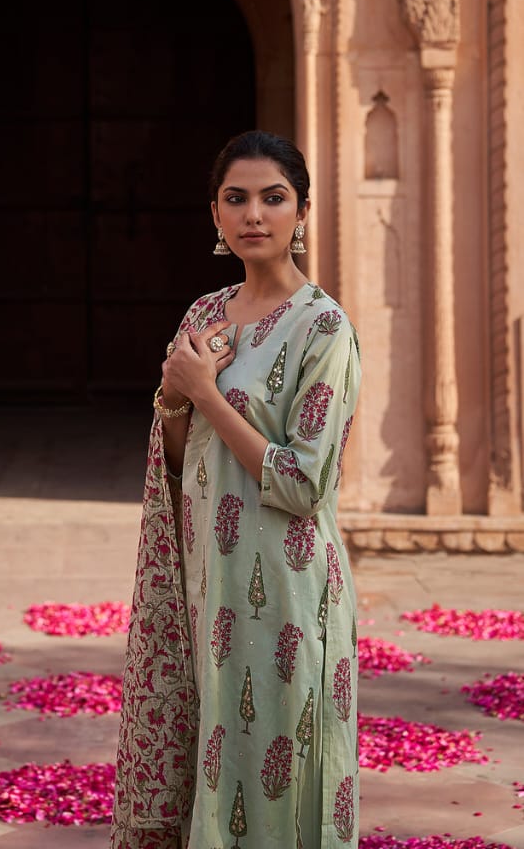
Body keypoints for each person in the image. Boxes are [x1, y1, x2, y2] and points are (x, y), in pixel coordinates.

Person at [110, 131, 361, 849]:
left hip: (286, 592)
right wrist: (172, 404)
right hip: (207, 584)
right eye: (236, 199)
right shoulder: (203, 314)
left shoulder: (325, 328)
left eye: (273, 198)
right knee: (215, 767)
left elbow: (303, 482)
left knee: (282, 775)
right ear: (215, 216)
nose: (255, 214)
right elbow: (183, 462)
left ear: (302, 212)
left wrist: (206, 395)